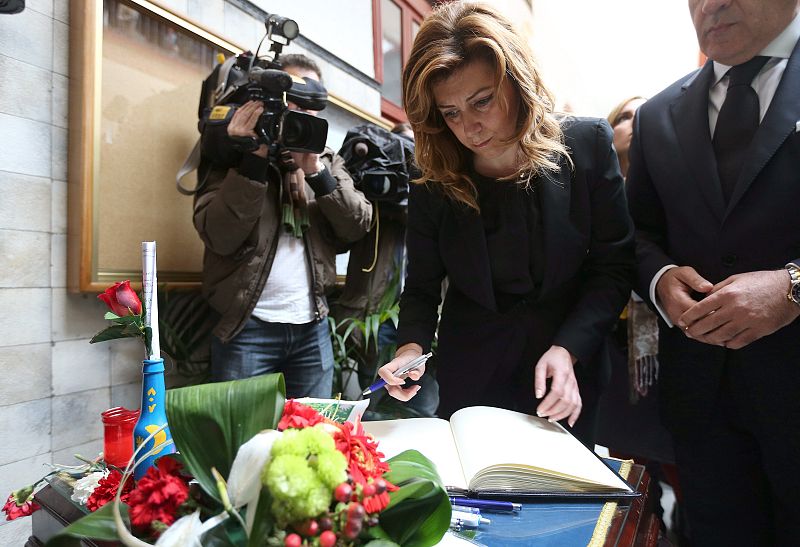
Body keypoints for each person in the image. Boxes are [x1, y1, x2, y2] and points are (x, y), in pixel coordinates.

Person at [377, 1, 634, 447]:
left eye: (482, 101)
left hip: (567, 374)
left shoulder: (587, 144)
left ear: (517, 84)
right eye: (451, 113)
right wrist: (410, 350)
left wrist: (569, 348)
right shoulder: (433, 179)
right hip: (473, 379)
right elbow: (420, 288)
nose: (470, 128)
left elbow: (612, 267)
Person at [626, 1, 800, 544]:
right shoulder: (656, 116)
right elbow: (635, 237)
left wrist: (794, 286)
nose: (711, 5)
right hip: (704, 408)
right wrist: (660, 279)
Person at [193, 53, 373, 398]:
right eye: (294, 101)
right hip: (246, 327)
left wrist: (316, 173)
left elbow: (357, 226)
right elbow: (218, 235)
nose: (302, 113)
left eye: (311, 105)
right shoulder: (232, 154)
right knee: (244, 440)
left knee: (314, 436)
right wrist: (253, 161)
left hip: (312, 328)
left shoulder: (326, 161)